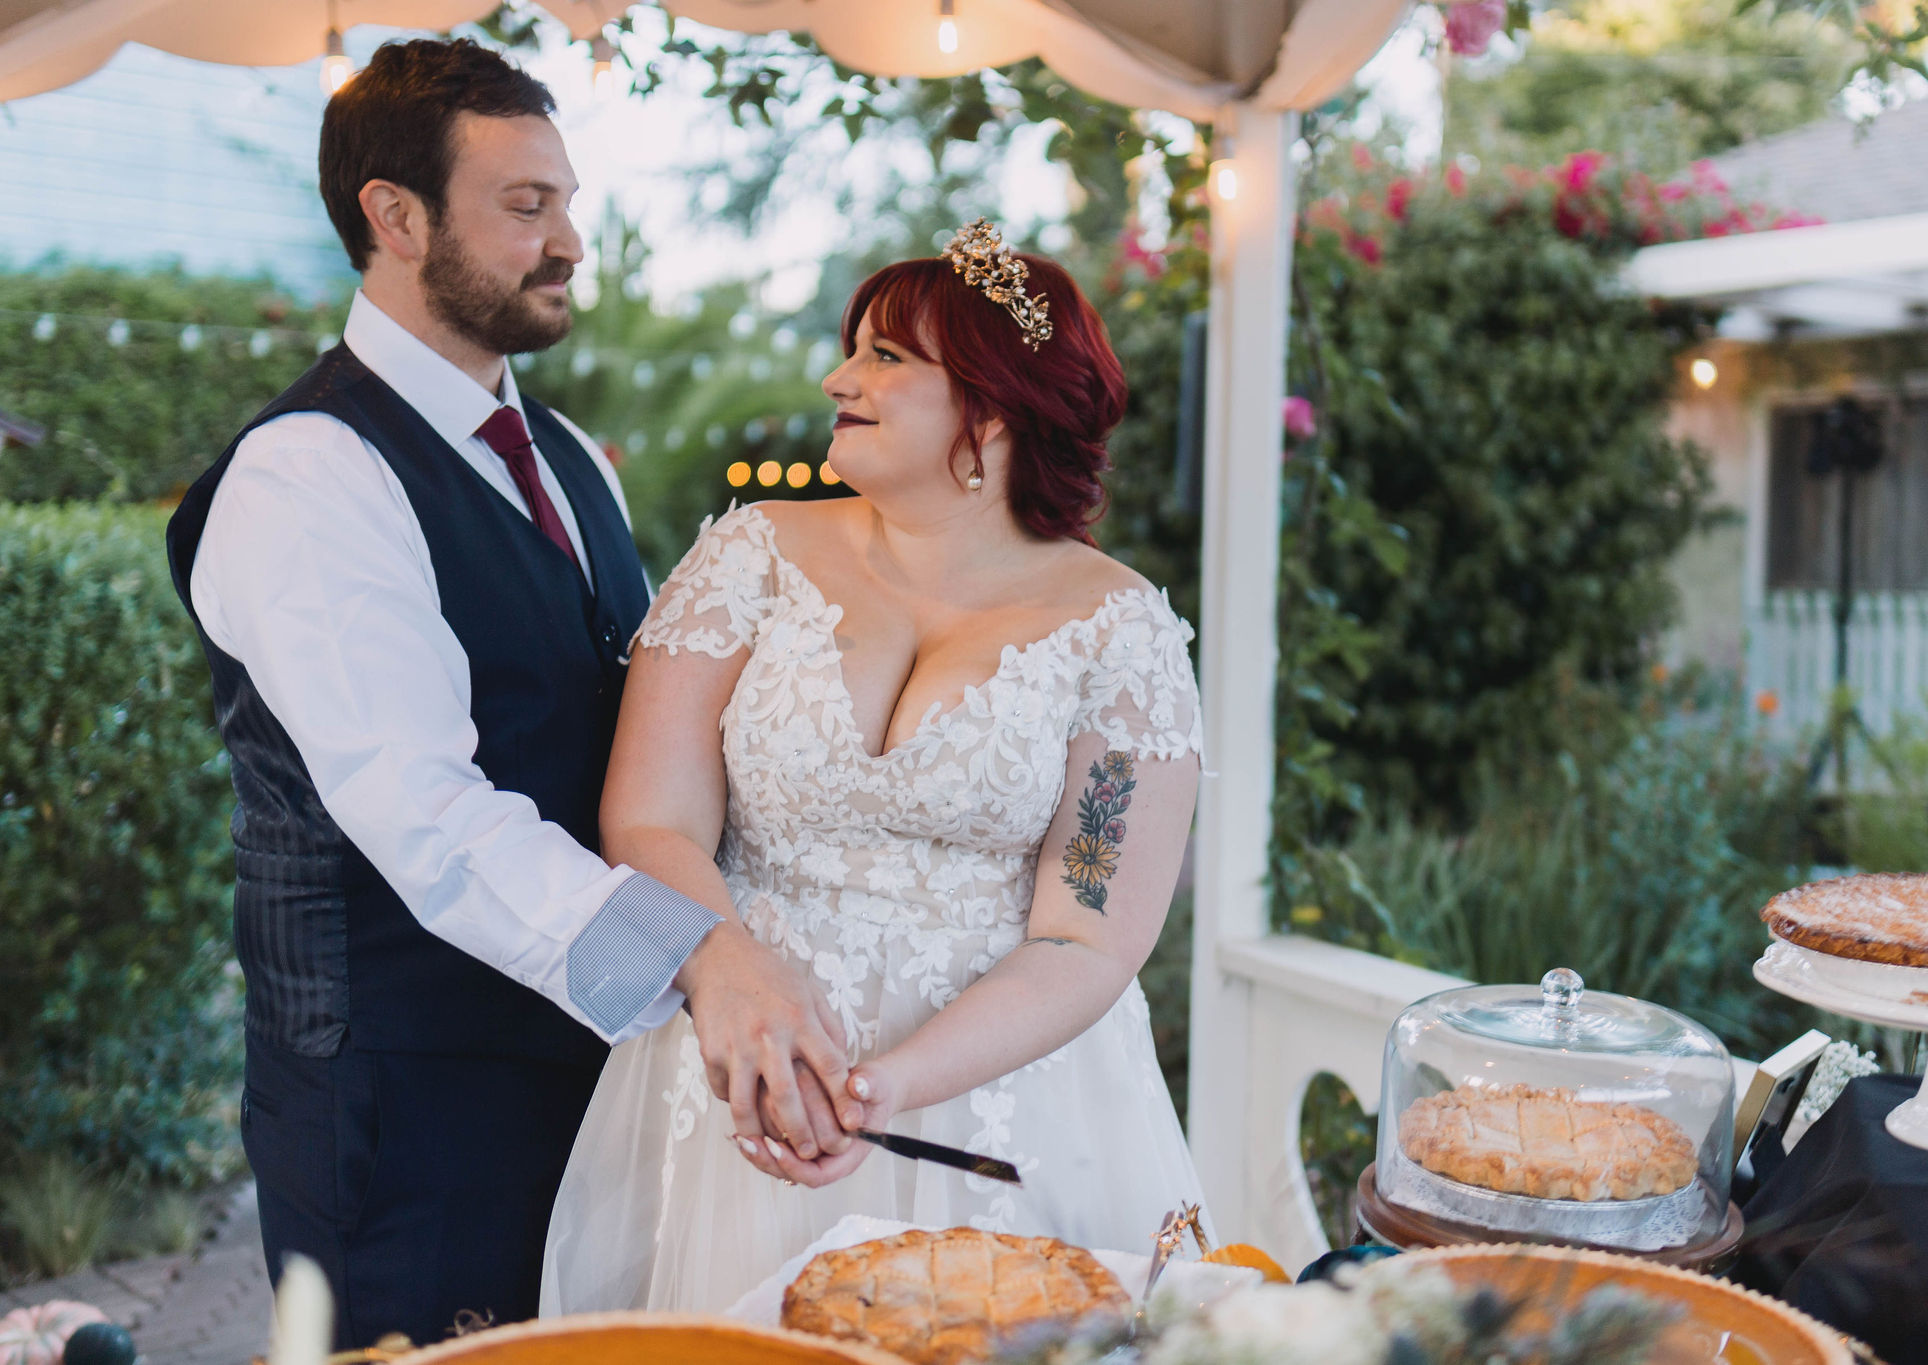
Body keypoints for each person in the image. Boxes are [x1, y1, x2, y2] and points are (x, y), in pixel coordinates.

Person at [162, 39, 853, 1349]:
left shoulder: (570, 456)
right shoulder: (307, 477)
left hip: (592, 1078)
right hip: (405, 1106)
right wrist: (701, 952)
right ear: (395, 216)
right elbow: (429, 815)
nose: (571, 242)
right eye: (527, 207)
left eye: (569, 203)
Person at [540, 220, 1207, 1315]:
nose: (836, 376)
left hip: (999, 1096)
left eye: (884, 358)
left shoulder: (1116, 635)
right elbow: (652, 819)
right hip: (742, 1075)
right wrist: (734, 981)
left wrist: (883, 1087)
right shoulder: (747, 554)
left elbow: (1084, 927)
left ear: (991, 406)